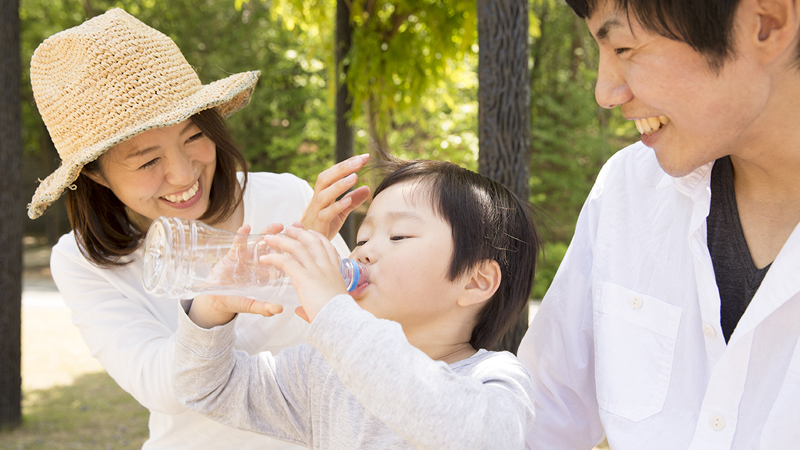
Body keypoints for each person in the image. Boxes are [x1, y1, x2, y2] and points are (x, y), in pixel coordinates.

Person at [27, 8, 370, 450]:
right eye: (148, 161)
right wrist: (220, 304)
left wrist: (319, 259)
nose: (184, 174)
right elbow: (162, 387)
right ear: (95, 175)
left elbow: (361, 325)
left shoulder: (285, 199)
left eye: (193, 137)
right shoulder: (80, 261)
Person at [517, 0, 800, 448]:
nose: (605, 91)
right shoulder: (630, 187)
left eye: (625, 48)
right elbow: (539, 418)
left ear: (766, 22)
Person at [171, 157, 540, 450]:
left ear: (476, 281)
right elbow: (207, 389)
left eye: (398, 235)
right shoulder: (322, 373)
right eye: (362, 239)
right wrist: (212, 310)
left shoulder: (494, 379)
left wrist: (335, 315)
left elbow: (470, 436)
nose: (363, 253)